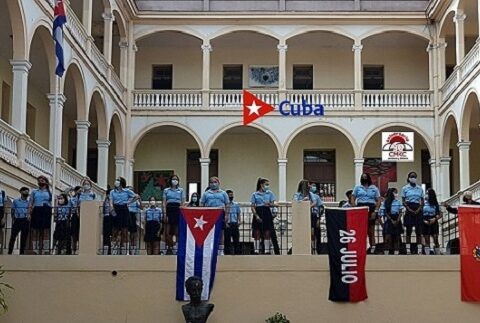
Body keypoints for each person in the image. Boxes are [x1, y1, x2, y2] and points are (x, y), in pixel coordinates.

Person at [350, 173, 380, 254]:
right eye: (363, 177)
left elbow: (378, 200)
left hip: (371, 208)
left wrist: (375, 211)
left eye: (365, 177)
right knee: (361, 230)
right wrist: (354, 206)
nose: (364, 178)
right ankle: (362, 248)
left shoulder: (374, 188)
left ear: (368, 178)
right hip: (361, 208)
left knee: (371, 230)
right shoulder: (357, 187)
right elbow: (353, 197)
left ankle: (373, 247)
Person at [200, 176, 229, 255]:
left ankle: (221, 250)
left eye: (215, 182)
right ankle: (210, 249)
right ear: (209, 184)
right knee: (210, 232)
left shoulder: (223, 193)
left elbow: (227, 204)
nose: (213, 184)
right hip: (209, 214)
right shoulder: (206, 193)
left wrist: (226, 215)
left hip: (220, 213)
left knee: (221, 232)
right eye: (211, 182)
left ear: (218, 183)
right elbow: (202, 203)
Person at [293, 180, 323, 254]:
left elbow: (320, 207)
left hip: (313, 215)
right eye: (309, 185)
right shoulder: (297, 195)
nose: (310, 186)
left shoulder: (314, 196)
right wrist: (303, 202)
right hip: (301, 217)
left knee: (314, 233)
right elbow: (295, 203)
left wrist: (319, 218)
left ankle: (315, 249)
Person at [110, 177, 136, 255]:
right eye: (116, 180)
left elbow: (136, 196)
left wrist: (129, 202)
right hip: (116, 208)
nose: (116, 181)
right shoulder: (112, 192)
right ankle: (113, 251)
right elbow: (111, 201)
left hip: (124, 209)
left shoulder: (127, 191)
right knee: (115, 231)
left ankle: (125, 251)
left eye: (118, 180)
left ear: (121, 182)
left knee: (125, 231)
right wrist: (112, 209)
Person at [251, 177, 276, 255]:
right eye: (266, 184)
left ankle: (267, 250)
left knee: (267, 231)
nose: (267, 186)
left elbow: (273, 204)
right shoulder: (255, 194)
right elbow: (252, 206)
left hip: (267, 212)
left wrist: (269, 204)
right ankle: (256, 250)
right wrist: (256, 216)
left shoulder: (270, 193)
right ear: (261, 185)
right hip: (258, 211)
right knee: (257, 232)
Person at [401, 171, 424, 255]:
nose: (413, 178)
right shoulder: (405, 188)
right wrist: (409, 209)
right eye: (411, 176)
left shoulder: (420, 188)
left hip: (418, 208)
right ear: (409, 178)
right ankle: (408, 250)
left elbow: (422, 201)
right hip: (409, 208)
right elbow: (403, 201)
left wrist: (419, 209)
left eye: (414, 176)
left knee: (419, 231)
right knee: (408, 230)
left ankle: (419, 250)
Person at [29, 175, 53, 254]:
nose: (41, 181)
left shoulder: (50, 192)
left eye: (42, 180)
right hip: (37, 210)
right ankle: (35, 249)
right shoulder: (34, 191)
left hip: (46, 210)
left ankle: (44, 249)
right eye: (39, 180)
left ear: (46, 182)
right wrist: (29, 213)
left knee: (45, 231)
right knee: (36, 230)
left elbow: (52, 203)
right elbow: (30, 203)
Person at [163, 174, 186, 255]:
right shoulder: (166, 190)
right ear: (170, 180)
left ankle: (177, 246)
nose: (174, 181)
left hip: (177, 208)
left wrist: (182, 210)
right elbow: (164, 202)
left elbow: (183, 201)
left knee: (177, 229)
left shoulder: (181, 190)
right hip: (169, 208)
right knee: (168, 229)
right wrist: (165, 213)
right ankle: (169, 246)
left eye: (176, 179)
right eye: (173, 179)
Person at [379, 188, 404, 255]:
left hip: (397, 218)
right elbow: (385, 212)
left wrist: (398, 219)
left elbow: (401, 211)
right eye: (395, 192)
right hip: (389, 219)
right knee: (387, 238)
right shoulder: (385, 202)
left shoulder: (398, 202)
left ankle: (396, 252)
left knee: (397, 237)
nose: (396, 194)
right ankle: (386, 252)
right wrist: (391, 220)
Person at [8, 187, 30, 255]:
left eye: (27, 192)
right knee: (13, 236)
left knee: (24, 238)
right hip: (17, 220)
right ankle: (10, 252)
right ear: (20, 192)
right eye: (25, 191)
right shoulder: (16, 201)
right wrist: (13, 218)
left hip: (25, 220)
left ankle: (22, 253)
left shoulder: (29, 202)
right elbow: (12, 210)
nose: (26, 193)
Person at [422, 188, 441, 255]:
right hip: (425, 221)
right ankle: (427, 254)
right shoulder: (423, 203)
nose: (426, 195)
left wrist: (435, 219)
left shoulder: (436, 204)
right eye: (426, 193)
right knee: (427, 239)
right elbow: (420, 214)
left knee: (435, 238)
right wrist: (423, 220)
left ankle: (437, 253)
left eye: (427, 193)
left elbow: (440, 214)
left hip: (433, 220)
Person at [225, 190, 241, 255]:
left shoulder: (236, 204)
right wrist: (225, 223)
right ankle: (227, 253)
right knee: (227, 241)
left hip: (234, 223)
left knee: (236, 240)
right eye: (230, 195)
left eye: (232, 195)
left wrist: (239, 221)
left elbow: (238, 214)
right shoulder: (224, 205)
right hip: (227, 224)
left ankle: (237, 253)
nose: (231, 196)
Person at [127, 189, 142, 255]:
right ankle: (127, 249)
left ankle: (133, 250)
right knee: (127, 233)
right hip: (126, 215)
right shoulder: (126, 199)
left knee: (133, 234)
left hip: (133, 216)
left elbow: (140, 207)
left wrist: (139, 199)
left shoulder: (136, 200)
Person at [69, 186, 82, 255]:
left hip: (82, 216)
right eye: (79, 191)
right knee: (74, 233)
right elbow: (70, 208)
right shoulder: (72, 199)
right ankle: (73, 250)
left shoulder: (83, 198)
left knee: (81, 233)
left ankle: (80, 249)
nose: (80, 192)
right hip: (74, 216)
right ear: (76, 191)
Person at [102, 187, 113, 255]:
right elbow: (103, 210)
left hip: (112, 217)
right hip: (106, 217)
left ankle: (112, 250)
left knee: (112, 234)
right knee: (106, 234)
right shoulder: (105, 201)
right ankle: (106, 251)